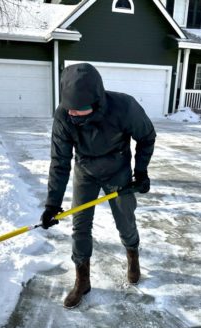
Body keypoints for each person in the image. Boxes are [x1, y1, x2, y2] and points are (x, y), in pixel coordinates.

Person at [40, 63, 156, 309]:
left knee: (125, 220)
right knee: (80, 225)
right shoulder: (63, 116)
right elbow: (59, 161)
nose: (75, 115)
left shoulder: (124, 107)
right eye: (72, 110)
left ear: (97, 101)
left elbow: (146, 136)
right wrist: (53, 203)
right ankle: (82, 280)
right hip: (86, 171)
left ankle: (132, 255)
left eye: (81, 111)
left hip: (118, 169)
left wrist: (141, 171)